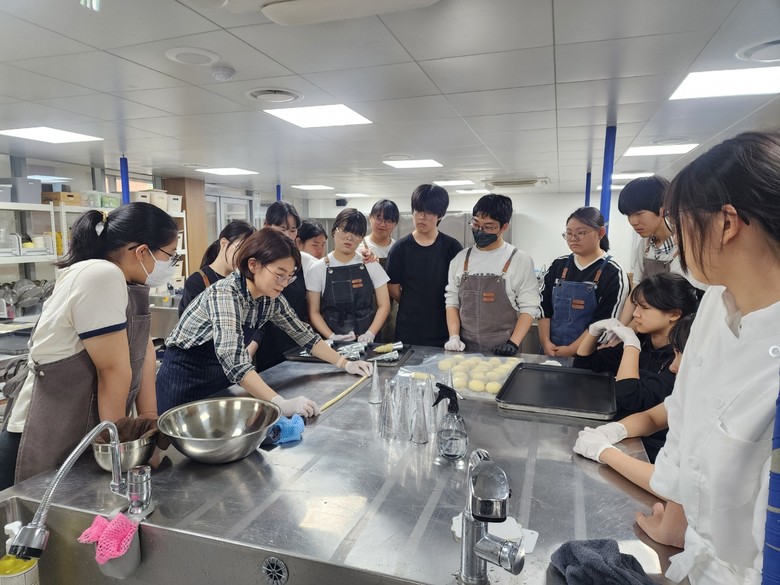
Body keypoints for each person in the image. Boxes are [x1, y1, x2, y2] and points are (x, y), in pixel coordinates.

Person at [632, 131, 780, 585]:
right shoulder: (716, 302)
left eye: (679, 225)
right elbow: (685, 416)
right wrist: (675, 520)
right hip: (693, 558)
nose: (675, 242)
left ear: (726, 223)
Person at [0, 203, 179, 489]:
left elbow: (143, 347)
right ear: (142, 252)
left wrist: (147, 421)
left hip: (83, 428)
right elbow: (112, 371)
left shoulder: (124, 281)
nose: (171, 264)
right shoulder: (100, 276)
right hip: (45, 432)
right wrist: (120, 449)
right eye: (170, 255)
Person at [156, 228, 373, 416]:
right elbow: (235, 361)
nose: (284, 283)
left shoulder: (270, 299)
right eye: (279, 274)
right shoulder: (225, 294)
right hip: (184, 381)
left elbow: (305, 337)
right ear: (253, 265)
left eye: (289, 276)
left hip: (220, 380)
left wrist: (345, 363)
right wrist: (281, 403)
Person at [573, 273, 699, 460]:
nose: (635, 314)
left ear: (674, 314)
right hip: (626, 436)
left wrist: (631, 346)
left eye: (645, 308)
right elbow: (584, 367)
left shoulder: (681, 361)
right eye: (636, 306)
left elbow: (629, 397)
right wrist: (593, 332)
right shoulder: (644, 342)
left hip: (655, 450)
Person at [572, 314, 695, 496]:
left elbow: (676, 487)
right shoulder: (693, 393)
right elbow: (652, 418)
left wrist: (604, 452)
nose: (672, 366)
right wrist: (613, 430)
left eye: (679, 355)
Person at [444, 194, 540, 355]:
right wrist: (454, 337)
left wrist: (513, 343)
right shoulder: (461, 259)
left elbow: (529, 307)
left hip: (505, 348)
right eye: (476, 224)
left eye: (488, 227)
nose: (480, 231)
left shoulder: (520, 259)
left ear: (504, 227)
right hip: (464, 349)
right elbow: (452, 301)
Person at [538, 207, 629, 357]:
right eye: (569, 233)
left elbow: (605, 321)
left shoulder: (613, 272)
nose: (573, 238)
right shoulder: (558, 265)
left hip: (589, 356)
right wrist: (545, 342)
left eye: (580, 233)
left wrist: (572, 350)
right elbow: (543, 307)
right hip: (551, 351)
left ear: (600, 232)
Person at [616, 176, 703, 324]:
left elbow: (672, 302)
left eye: (639, 213)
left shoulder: (684, 246)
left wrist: (629, 331)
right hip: (648, 323)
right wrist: (619, 329)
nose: (633, 221)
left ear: (663, 209)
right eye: (629, 215)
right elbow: (636, 292)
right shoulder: (645, 245)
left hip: (678, 323)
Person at [385, 184, 463, 346]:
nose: (422, 217)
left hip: (444, 326)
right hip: (409, 327)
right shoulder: (399, 249)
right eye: (418, 211)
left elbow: (459, 288)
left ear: (440, 215)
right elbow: (392, 287)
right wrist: (412, 304)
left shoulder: (452, 247)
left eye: (429, 213)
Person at [306, 208, 390, 344]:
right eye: (344, 231)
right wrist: (332, 336)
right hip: (332, 342)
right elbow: (314, 312)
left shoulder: (370, 264)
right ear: (334, 231)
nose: (349, 238)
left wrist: (370, 333)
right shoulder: (318, 269)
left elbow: (384, 305)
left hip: (368, 340)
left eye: (356, 234)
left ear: (361, 238)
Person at [256, 201, 311, 371]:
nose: (288, 235)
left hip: (296, 340)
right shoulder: (256, 261)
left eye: (293, 230)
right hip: (265, 344)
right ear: (266, 226)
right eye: (282, 229)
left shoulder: (303, 261)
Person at [178, 220, 255, 317]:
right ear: (223, 243)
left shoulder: (245, 280)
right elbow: (187, 322)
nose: (243, 257)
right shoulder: (196, 282)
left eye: (248, 252)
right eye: (241, 249)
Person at [358, 199, 400, 342]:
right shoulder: (358, 246)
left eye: (388, 220)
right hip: (364, 308)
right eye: (378, 218)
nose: (382, 224)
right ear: (370, 218)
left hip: (393, 308)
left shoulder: (399, 249)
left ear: (395, 223)